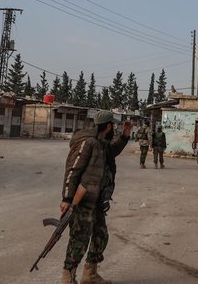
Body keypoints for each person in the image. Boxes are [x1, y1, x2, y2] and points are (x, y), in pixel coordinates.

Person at [60, 110, 131, 284]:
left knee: (101, 235)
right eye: (113, 125)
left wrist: (125, 136)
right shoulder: (88, 143)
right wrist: (67, 199)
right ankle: (68, 277)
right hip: (82, 200)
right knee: (79, 239)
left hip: (97, 200)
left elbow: (112, 151)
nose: (114, 128)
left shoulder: (101, 143)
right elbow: (72, 171)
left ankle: (90, 274)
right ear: (108, 126)